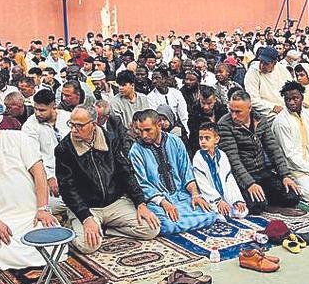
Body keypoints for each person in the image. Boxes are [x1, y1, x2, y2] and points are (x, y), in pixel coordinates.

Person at [54, 104, 159, 253]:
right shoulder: (64, 149)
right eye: (71, 125)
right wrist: (86, 217)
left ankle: (107, 230)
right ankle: (75, 229)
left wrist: (140, 203)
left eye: (79, 126)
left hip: (114, 202)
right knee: (88, 246)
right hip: (87, 207)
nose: (73, 130)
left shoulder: (110, 139)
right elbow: (67, 188)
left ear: (93, 124)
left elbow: (125, 172)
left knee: (152, 228)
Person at [0, 109, 58, 270]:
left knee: (52, 245)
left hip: (31, 213)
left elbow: (39, 174)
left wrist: (43, 208)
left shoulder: (18, 138)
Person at [128, 110, 217, 235]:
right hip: (157, 201)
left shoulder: (175, 141)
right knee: (163, 225)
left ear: (159, 125)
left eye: (148, 130)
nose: (143, 135)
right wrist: (164, 203)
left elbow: (186, 172)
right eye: (140, 131)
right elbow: (142, 184)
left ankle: (182, 219)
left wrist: (195, 195)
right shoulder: (136, 151)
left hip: (181, 196)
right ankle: (184, 219)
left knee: (211, 214)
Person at [218, 91, 301, 215]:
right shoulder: (224, 124)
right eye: (231, 111)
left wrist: (285, 175)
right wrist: (249, 184)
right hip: (241, 175)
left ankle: (267, 199)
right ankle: (266, 203)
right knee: (256, 206)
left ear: (249, 108)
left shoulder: (260, 120)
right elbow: (233, 160)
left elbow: (273, 149)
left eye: (238, 112)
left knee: (292, 196)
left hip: (262, 171)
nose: (234, 116)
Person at [191, 122, 248, 220]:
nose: (203, 141)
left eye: (207, 138)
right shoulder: (198, 157)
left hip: (225, 196)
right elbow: (202, 184)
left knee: (242, 212)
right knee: (218, 216)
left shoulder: (222, 155)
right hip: (209, 197)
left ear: (216, 139)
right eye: (201, 138)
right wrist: (218, 200)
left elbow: (229, 180)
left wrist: (236, 199)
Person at [22, 89, 70, 202]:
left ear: (54, 106)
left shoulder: (68, 118)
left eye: (42, 110)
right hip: (48, 174)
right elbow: (33, 156)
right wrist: (49, 177)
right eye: (35, 109)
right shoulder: (29, 126)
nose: (37, 113)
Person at [244, 46, 292, 117]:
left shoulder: (282, 70)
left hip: (285, 108)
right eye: (261, 61)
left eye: (266, 63)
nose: (262, 65)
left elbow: (291, 90)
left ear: (274, 63)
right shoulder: (253, 72)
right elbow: (252, 99)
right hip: (265, 112)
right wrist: (273, 107)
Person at [147, 68, 190, 138]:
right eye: (153, 79)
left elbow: (183, 115)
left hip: (177, 127)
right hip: (162, 128)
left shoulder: (176, 93)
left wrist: (186, 130)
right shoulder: (150, 97)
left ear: (165, 79)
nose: (154, 81)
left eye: (158, 78)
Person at [185, 85, 227, 155]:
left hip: (221, 145)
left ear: (215, 100)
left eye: (209, 103)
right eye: (203, 103)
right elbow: (194, 136)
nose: (206, 107)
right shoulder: (194, 111)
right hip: (200, 147)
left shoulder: (222, 110)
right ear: (199, 100)